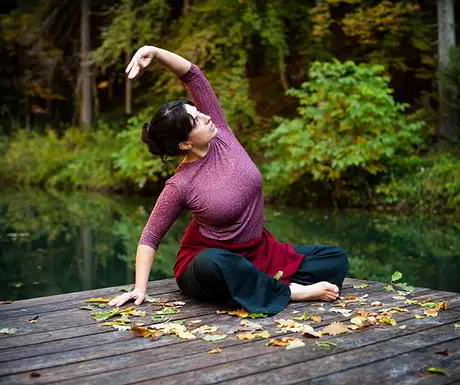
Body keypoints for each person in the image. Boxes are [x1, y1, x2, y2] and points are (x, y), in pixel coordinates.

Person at [109, 45, 349, 314]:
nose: (205, 116)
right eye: (196, 120)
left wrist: (154, 52)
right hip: (208, 264)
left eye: (198, 111)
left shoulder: (220, 132)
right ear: (185, 144)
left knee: (333, 258)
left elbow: (193, 76)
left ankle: (259, 286)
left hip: (258, 252)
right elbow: (150, 237)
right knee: (217, 262)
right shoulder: (181, 184)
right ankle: (290, 292)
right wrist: (139, 288)